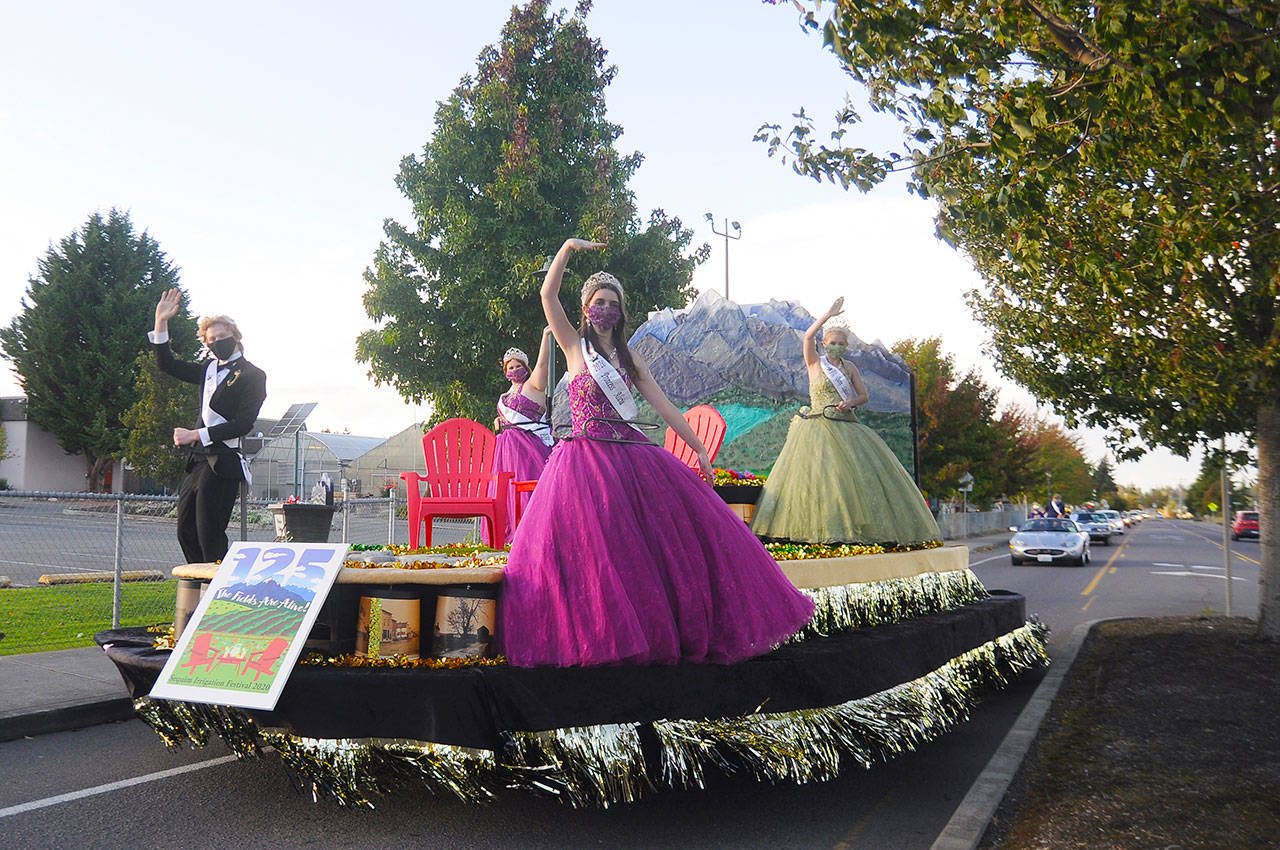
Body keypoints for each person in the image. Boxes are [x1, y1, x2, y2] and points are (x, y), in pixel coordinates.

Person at [496, 238, 814, 668]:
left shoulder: (631, 360)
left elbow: (666, 407)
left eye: (612, 302)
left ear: (621, 312)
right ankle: (600, 637)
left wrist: (699, 446)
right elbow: (547, 294)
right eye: (598, 301)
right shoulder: (574, 347)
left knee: (663, 543)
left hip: (629, 455)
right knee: (594, 550)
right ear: (586, 308)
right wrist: (569, 247)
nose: (605, 308)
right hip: (583, 462)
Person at [750, 298, 941, 547]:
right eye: (832, 343)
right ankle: (816, 531)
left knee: (850, 483)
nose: (837, 347)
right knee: (819, 480)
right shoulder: (815, 363)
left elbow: (864, 396)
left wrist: (850, 403)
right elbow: (807, 337)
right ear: (824, 344)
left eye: (841, 344)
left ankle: (853, 532)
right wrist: (827, 315)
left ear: (846, 346)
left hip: (846, 426)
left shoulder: (849, 367)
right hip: (817, 427)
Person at [150, 288, 267, 564]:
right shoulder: (209, 370)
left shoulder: (253, 375)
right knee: (185, 532)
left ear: (236, 338)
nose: (217, 343)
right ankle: (198, 594)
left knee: (209, 536)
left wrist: (195, 434)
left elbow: (243, 423)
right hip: (198, 461)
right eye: (211, 339)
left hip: (223, 461)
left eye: (222, 337)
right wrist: (161, 322)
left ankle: (218, 597)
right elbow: (166, 364)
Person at [488, 329, 554, 544]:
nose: (514, 370)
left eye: (518, 366)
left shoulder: (534, 386)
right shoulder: (505, 396)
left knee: (529, 492)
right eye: (510, 367)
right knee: (505, 493)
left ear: (525, 368)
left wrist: (545, 337)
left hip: (528, 450)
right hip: (505, 453)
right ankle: (505, 538)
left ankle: (531, 537)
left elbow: (543, 365)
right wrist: (498, 422)